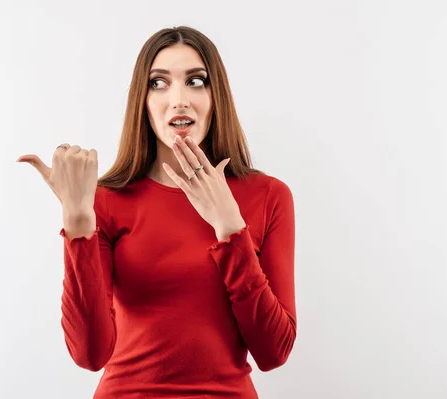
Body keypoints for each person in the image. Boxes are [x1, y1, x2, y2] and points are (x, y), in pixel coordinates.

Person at [17, 25, 297, 399]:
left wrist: (231, 227)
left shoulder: (268, 196)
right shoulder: (106, 200)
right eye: (159, 83)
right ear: (143, 102)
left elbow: (274, 352)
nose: (178, 99)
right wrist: (79, 224)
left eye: (196, 81)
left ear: (217, 97)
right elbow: (89, 354)